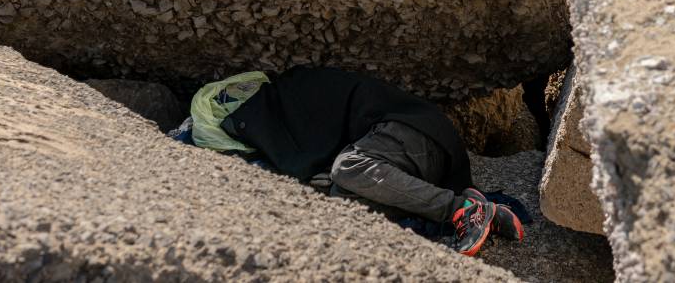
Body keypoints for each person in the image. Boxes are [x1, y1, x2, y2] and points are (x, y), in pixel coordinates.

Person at [177, 66, 525, 257]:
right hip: (409, 161)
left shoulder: (287, 98)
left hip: (415, 134)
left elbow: (303, 160)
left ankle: (460, 210)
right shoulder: (285, 107)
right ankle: (477, 209)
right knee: (339, 203)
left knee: (348, 168)